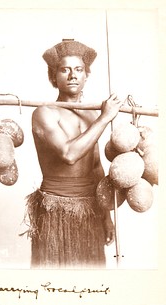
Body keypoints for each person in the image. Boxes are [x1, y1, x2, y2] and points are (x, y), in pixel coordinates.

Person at [25, 39, 123, 269]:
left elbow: (96, 166)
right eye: (65, 69)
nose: (72, 75)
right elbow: (69, 154)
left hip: (90, 209)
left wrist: (106, 216)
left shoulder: (92, 116)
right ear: (53, 77)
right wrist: (105, 118)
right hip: (56, 209)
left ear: (86, 75)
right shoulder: (45, 113)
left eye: (78, 69)